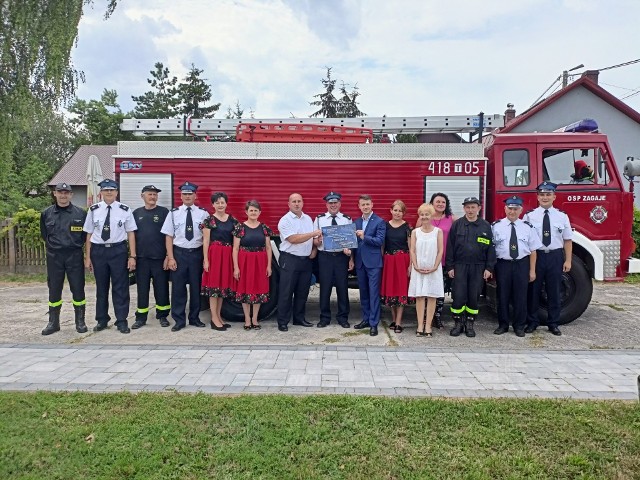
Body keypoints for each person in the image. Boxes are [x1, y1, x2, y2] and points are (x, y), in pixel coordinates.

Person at [83, 178, 137, 334]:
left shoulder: (125, 210)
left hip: (118, 251)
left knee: (120, 287)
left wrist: (132, 256)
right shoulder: (93, 210)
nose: (109, 192)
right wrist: (88, 257)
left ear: (116, 192)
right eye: (106, 190)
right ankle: (102, 319)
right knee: (101, 287)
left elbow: (131, 233)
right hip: (98, 251)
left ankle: (121, 320)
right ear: (101, 192)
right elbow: (89, 235)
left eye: (111, 190)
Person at [524, 182, 573, 336]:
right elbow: (525, 240)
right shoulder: (529, 216)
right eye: (542, 194)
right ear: (537, 197)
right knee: (533, 290)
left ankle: (553, 323)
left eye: (548, 194)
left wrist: (568, 260)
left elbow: (567, 240)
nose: (545, 197)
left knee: (554, 290)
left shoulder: (562, 216)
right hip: (536, 256)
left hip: (555, 256)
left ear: (554, 197)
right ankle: (532, 322)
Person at [40, 182, 88, 335]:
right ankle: (53, 323)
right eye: (60, 192)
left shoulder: (80, 214)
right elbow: (44, 234)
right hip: (55, 256)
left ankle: (80, 321)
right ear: (55, 194)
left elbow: (85, 236)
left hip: (74, 255)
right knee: (54, 289)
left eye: (66, 192)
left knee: (78, 288)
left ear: (71, 195)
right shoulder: (46, 213)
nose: (63, 195)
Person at [445, 196, 496, 338]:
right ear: (464, 208)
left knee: (473, 296)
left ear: (479, 208)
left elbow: (491, 249)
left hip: (478, 267)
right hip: (460, 266)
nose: (470, 210)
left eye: (473, 207)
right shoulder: (457, 225)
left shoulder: (486, 226)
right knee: (459, 296)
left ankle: (470, 324)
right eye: (467, 207)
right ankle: (458, 324)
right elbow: (450, 247)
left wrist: (489, 268)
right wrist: (450, 267)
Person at [161, 181, 209, 332]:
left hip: (196, 254)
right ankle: (179, 320)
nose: (187, 196)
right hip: (179, 253)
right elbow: (169, 237)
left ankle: (194, 318)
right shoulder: (173, 214)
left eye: (190, 194)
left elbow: (207, 237)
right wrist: (170, 257)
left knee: (196, 288)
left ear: (195, 195)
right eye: (184, 194)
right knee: (178, 289)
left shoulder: (203, 213)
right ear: (181, 196)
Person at [491, 196, 542, 337]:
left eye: (515, 209)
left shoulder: (527, 227)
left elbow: (533, 250)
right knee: (503, 295)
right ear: (505, 209)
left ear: (521, 210)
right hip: (503, 264)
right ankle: (503, 325)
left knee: (521, 296)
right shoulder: (496, 226)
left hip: (521, 264)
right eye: (510, 209)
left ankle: (519, 326)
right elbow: (491, 249)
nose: (512, 212)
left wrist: (532, 270)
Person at [276, 193, 321, 332]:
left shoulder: (308, 219)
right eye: (294, 201)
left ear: (302, 203)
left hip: (305, 260)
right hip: (290, 259)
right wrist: (312, 235)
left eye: (299, 201)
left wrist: (315, 247)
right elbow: (293, 239)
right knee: (286, 292)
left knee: (302, 292)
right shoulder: (285, 220)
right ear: (288, 204)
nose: (297, 204)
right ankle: (282, 321)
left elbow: (313, 239)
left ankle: (299, 319)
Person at [132, 185, 171, 329]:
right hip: (142, 259)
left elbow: (169, 235)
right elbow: (132, 236)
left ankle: (163, 316)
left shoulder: (164, 212)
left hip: (159, 259)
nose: (153, 197)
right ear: (142, 196)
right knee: (142, 289)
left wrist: (168, 255)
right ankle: (141, 317)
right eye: (150, 194)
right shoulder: (136, 213)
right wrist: (133, 256)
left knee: (162, 288)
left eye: (155, 194)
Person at [313, 191, 354, 328]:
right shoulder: (319, 219)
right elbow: (315, 241)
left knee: (342, 288)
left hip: (341, 257)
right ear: (327, 204)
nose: (333, 205)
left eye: (335, 202)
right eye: (330, 203)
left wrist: (350, 255)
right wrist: (317, 241)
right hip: (325, 257)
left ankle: (343, 317)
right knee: (325, 288)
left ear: (340, 204)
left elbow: (350, 241)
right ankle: (324, 318)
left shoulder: (346, 219)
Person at [232, 200, 273, 330]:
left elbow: (268, 248)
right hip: (245, 262)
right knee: (245, 289)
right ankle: (247, 319)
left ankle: (255, 318)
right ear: (246, 212)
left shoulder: (264, 228)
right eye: (251, 210)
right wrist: (236, 267)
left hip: (260, 261)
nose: (253, 213)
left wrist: (269, 266)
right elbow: (235, 249)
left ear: (260, 212)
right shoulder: (240, 228)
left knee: (259, 289)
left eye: (256, 210)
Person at [202, 191, 238, 331]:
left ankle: (218, 316)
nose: (220, 205)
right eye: (217, 203)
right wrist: (206, 259)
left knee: (222, 287)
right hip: (215, 254)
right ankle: (214, 318)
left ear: (226, 204)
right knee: (214, 287)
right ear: (213, 205)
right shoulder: (209, 220)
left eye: (222, 202)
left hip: (227, 255)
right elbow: (205, 241)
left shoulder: (233, 220)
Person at [408, 203, 444, 337]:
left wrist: (435, 266)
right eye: (422, 214)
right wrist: (415, 265)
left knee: (432, 296)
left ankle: (428, 326)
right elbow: (412, 250)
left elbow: (441, 251)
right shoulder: (415, 232)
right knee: (420, 296)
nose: (424, 217)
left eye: (427, 214)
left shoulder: (438, 232)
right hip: (418, 268)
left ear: (432, 215)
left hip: (433, 268)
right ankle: (419, 325)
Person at [353, 194, 386, 337]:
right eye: (363, 205)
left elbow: (379, 241)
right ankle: (366, 319)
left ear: (372, 205)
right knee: (363, 293)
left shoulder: (379, 221)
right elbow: (353, 242)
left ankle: (374, 323)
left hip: (373, 263)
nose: (365, 207)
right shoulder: (357, 221)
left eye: (367, 204)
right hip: (360, 262)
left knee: (373, 294)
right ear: (359, 206)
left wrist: (364, 237)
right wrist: (350, 254)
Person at [380, 200, 413, 333]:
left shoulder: (407, 227)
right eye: (395, 210)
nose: (397, 213)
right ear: (391, 210)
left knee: (400, 291)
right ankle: (393, 319)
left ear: (403, 213)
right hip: (388, 260)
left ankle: (399, 322)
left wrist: (410, 265)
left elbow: (411, 248)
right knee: (390, 291)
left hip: (402, 261)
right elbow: (382, 246)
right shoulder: (385, 226)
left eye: (400, 211)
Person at [427, 192, 456, 329]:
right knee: (427, 289)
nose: (440, 204)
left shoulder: (452, 219)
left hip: (444, 260)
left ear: (446, 204)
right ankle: (427, 317)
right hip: (427, 260)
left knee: (440, 290)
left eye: (443, 202)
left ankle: (437, 316)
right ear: (432, 203)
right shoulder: (425, 218)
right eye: (437, 201)